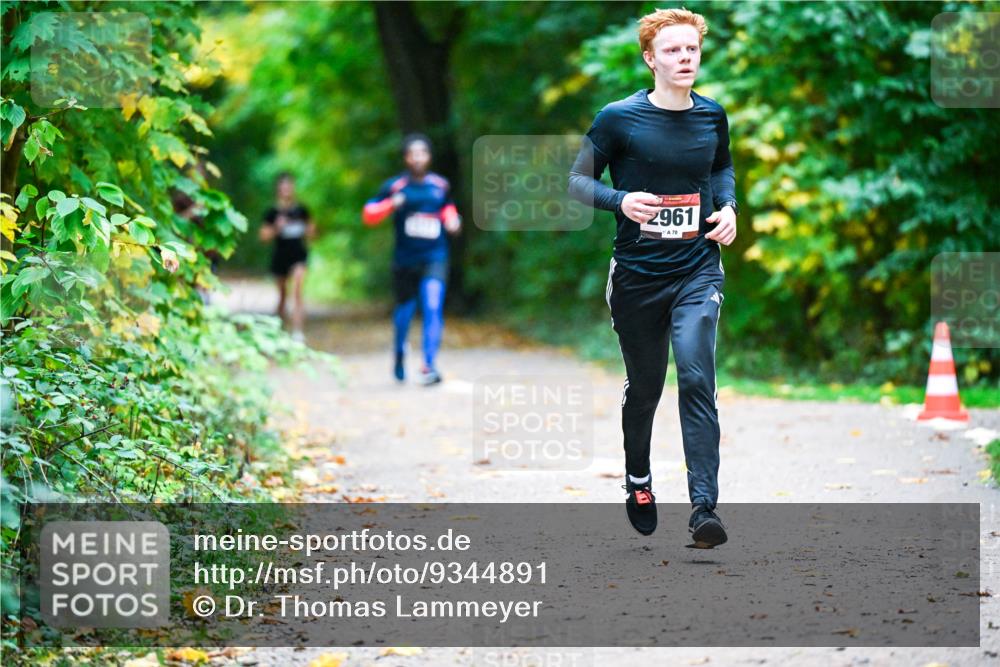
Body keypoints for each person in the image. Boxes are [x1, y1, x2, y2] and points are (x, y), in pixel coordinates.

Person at [568, 8, 738, 547]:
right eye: (672, 51)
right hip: (638, 276)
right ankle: (638, 480)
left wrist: (729, 206)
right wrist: (622, 200)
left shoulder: (712, 116)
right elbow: (576, 182)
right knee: (646, 388)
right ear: (650, 59)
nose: (684, 58)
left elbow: (719, 169)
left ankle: (704, 507)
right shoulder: (618, 118)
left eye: (691, 49)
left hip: (697, 268)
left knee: (695, 373)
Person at [362, 134, 461, 385]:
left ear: (429, 156)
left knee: (432, 304)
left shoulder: (440, 185)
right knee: (404, 313)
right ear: (406, 158)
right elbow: (368, 214)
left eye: (422, 153)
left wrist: (452, 220)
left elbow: (448, 209)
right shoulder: (395, 187)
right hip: (405, 260)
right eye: (412, 154)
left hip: (434, 256)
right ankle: (399, 352)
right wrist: (390, 205)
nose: (418, 158)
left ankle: (429, 365)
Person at [259, 172, 315, 343]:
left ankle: (298, 332)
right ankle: (279, 330)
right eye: (283, 186)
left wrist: (308, 230)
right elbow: (263, 237)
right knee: (283, 295)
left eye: (289, 186)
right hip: (280, 256)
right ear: (278, 189)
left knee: (298, 289)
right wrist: (277, 227)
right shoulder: (272, 212)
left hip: (299, 255)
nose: (287, 189)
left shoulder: (301, 210)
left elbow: (313, 232)